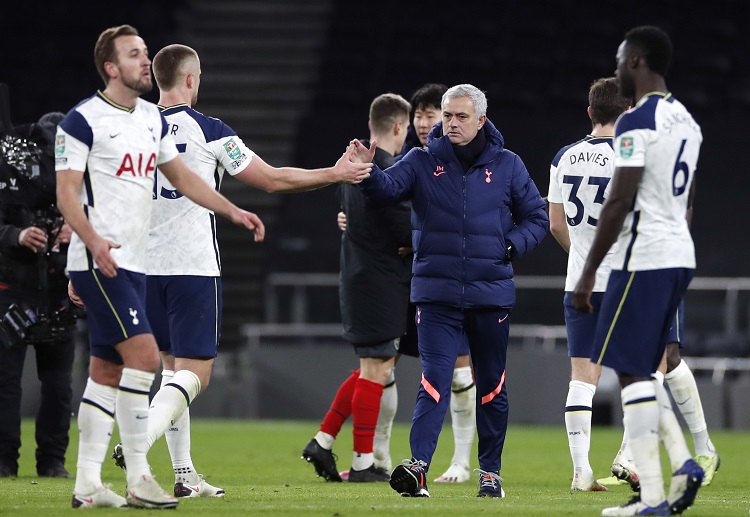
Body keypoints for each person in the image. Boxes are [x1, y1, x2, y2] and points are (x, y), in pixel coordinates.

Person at [106, 43, 373, 498]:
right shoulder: (210, 131)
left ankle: (185, 476)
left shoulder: (130, 125)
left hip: (140, 267)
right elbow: (270, 179)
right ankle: (138, 440)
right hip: (191, 266)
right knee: (197, 374)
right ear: (191, 79)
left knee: (171, 372)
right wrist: (336, 173)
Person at [56, 25, 267, 510]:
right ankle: (138, 471)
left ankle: (89, 484)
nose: (143, 61)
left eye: (145, 53)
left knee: (106, 369)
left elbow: (182, 178)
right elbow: (70, 195)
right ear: (111, 68)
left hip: (133, 263)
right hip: (102, 258)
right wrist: (85, 253)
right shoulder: (81, 121)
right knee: (150, 361)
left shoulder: (150, 120)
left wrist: (232, 210)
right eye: (134, 55)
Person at [351, 84, 549, 498]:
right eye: (447, 115)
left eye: (460, 116)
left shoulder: (508, 165)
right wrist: (369, 173)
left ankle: (490, 473)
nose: (451, 123)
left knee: (491, 385)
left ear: (481, 120)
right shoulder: (421, 160)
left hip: (490, 294)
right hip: (436, 295)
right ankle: (418, 467)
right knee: (434, 381)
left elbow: (537, 217)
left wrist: (511, 245)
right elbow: (387, 191)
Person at [572, 26, 705, 516]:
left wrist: (587, 275)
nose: (615, 67)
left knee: (630, 369)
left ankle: (663, 484)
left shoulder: (635, 122)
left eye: (619, 57)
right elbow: (687, 202)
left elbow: (619, 199)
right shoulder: (687, 121)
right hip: (678, 253)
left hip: (644, 256)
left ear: (637, 61)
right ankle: (670, 478)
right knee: (640, 367)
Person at [335, 83, 477, 484]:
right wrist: (352, 220)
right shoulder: (411, 160)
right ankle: (377, 454)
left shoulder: (463, 159)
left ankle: (461, 461)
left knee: (458, 368)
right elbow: (376, 200)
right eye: (420, 115)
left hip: (446, 274)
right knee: (387, 364)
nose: (425, 121)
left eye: (434, 114)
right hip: (407, 279)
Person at [302, 93, 412, 483]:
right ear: (400, 126)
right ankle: (364, 462)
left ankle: (323, 439)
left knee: (372, 366)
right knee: (376, 368)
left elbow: (349, 211)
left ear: (372, 124)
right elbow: (404, 227)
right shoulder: (385, 173)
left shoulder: (352, 169)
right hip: (379, 282)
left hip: (358, 276)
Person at [548, 76, 631, 493]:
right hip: (626, 280)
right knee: (642, 372)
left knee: (582, 377)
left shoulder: (564, 157)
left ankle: (581, 471)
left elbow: (556, 223)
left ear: (590, 112)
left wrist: (581, 257)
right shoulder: (633, 156)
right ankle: (629, 455)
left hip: (579, 283)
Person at [0, 109, 78, 479]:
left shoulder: (85, 180)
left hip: (58, 291)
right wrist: (15, 235)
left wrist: (78, 230)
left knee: (60, 386)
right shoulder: (7, 174)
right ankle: (3, 462)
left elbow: (112, 220)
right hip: (13, 289)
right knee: (5, 384)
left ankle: (52, 461)